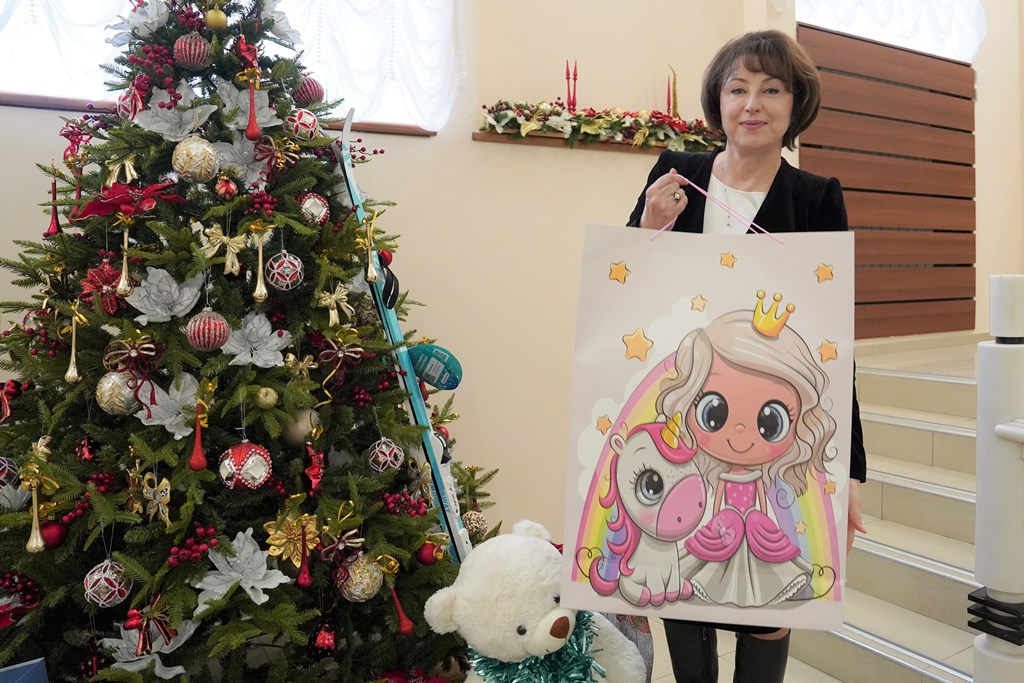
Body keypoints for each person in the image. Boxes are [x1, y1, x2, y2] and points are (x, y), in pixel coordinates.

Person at [625, 30, 867, 683]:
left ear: (795, 105)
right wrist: (647, 228)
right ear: (719, 100)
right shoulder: (676, 173)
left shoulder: (816, 196)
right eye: (738, 88)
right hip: (685, 418)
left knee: (769, 602)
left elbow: (831, 339)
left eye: (771, 89)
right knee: (683, 593)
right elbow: (628, 297)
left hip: (770, 431)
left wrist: (846, 469)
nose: (752, 103)